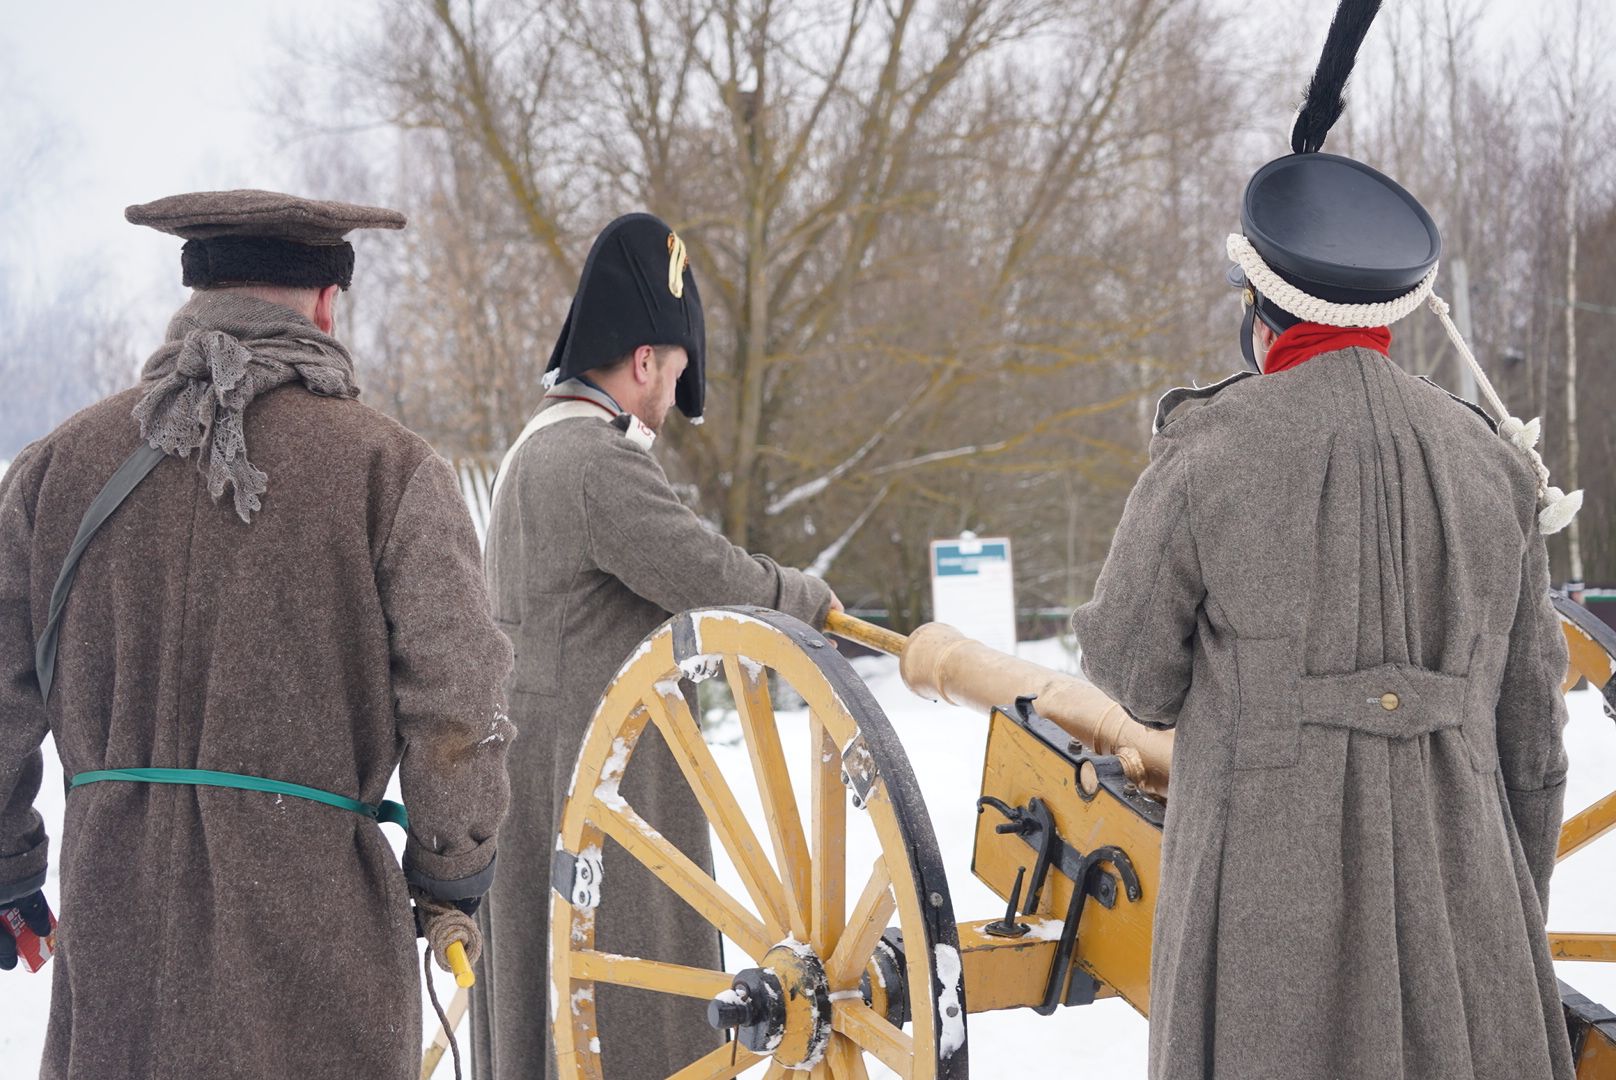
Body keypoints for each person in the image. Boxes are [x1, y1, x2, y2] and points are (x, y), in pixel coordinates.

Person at [1072, 3, 1579, 1077]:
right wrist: (1496, 913)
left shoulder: (1207, 452)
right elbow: (1532, 745)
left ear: (1259, 311)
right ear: (1391, 307)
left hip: (1262, 949)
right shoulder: (1493, 467)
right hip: (1468, 941)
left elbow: (1131, 676)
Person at [0, 190, 515, 1079]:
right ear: (325, 302)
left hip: (116, 939)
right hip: (322, 952)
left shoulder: (53, 471)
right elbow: (458, 694)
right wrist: (451, 870)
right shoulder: (388, 471)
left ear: (197, 292)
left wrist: (10, 862)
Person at [472, 212, 838, 1080]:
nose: (671, 401)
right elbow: (715, 578)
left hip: (536, 775)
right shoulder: (597, 462)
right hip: (598, 790)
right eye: (672, 376)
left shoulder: (535, 449)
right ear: (643, 362)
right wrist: (807, 599)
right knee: (632, 1027)